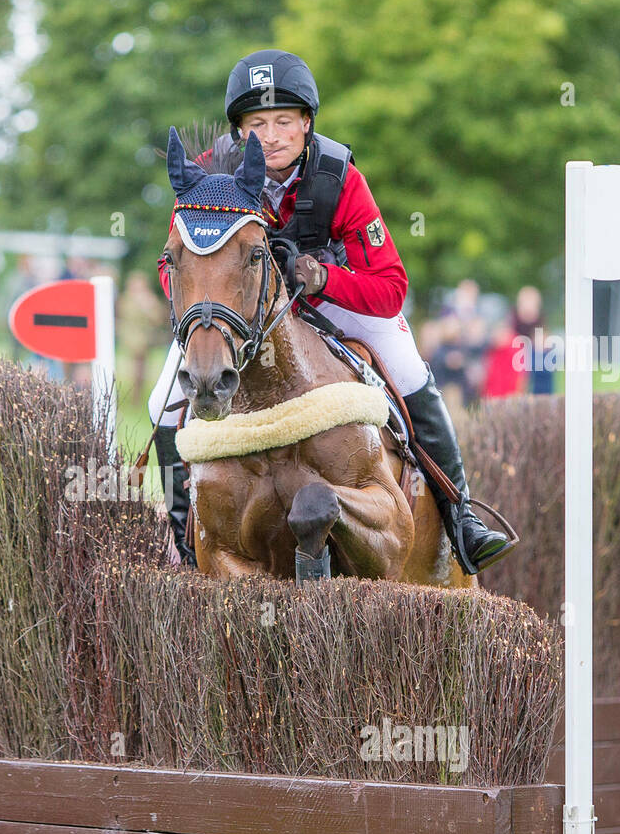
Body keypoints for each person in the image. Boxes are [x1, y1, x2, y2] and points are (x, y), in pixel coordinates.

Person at [148, 49, 512, 574]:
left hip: (334, 305)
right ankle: (184, 547)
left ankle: (461, 519)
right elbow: (172, 264)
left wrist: (322, 278)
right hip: (238, 318)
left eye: (282, 122)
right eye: (256, 124)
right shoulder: (206, 177)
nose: (270, 136)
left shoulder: (337, 177)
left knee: (408, 367)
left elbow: (391, 288)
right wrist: (210, 302)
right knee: (163, 399)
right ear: (238, 130)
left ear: (306, 124)